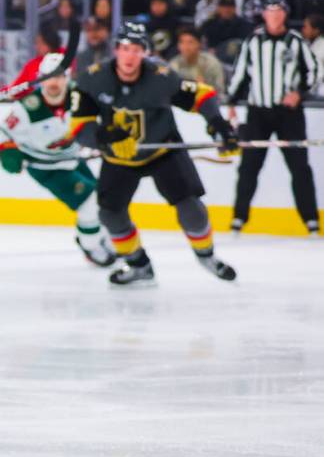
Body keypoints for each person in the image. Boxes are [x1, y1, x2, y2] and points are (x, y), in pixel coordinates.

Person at [64, 22, 240, 286]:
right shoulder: (93, 78)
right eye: (124, 48)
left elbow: (201, 96)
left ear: (145, 52)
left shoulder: (161, 77)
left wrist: (218, 125)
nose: (130, 56)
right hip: (118, 157)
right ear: (116, 50)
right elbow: (79, 128)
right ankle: (139, 265)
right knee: (110, 215)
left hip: (161, 150)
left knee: (192, 210)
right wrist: (104, 137)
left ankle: (206, 256)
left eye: (136, 49)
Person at [0, 53, 115, 267]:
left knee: (103, 199)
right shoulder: (27, 107)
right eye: (47, 77)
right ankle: (90, 246)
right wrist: (5, 150)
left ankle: (96, 235)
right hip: (45, 167)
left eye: (58, 76)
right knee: (89, 203)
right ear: (39, 78)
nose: (53, 82)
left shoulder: (80, 98)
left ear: (67, 78)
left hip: (73, 159)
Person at [226, 0, 322, 235]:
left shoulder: (296, 41)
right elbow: (239, 74)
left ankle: (310, 219)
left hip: (289, 114)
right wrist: (230, 102)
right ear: (264, 14)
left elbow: (315, 71)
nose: (275, 14)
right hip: (258, 112)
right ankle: (239, 218)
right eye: (270, 10)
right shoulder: (253, 41)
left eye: (279, 10)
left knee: (300, 167)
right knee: (249, 167)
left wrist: (299, 94)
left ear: (285, 14)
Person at [170, 25, 225, 94]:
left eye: (190, 42)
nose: (185, 47)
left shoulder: (211, 63)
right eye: (182, 42)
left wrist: (204, 88)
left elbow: (220, 92)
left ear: (199, 44)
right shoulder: (175, 63)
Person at [303, 14, 324, 96]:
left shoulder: (322, 45)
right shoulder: (306, 43)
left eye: (306, 27)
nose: (303, 30)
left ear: (316, 30)